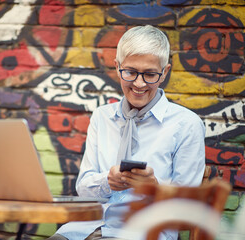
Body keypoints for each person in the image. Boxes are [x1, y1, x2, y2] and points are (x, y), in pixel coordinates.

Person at [48, 25, 205, 240]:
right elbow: (83, 189)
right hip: (83, 230)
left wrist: (154, 188)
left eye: (150, 74)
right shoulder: (102, 117)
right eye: (130, 72)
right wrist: (107, 182)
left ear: (165, 72)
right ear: (117, 66)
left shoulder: (187, 124)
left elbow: (187, 208)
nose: (139, 83)